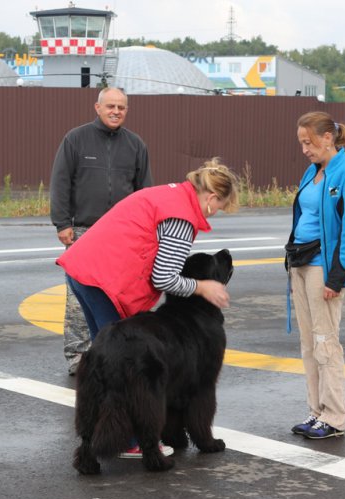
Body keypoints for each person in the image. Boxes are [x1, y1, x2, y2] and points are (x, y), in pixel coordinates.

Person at [57, 157, 239, 458]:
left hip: (84, 269)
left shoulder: (168, 194)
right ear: (210, 198)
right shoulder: (182, 217)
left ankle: (97, 440)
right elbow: (164, 276)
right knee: (123, 369)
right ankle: (128, 441)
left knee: (105, 361)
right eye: (220, 206)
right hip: (104, 282)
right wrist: (202, 286)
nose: (216, 212)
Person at [49, 86, 153, 376]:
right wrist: (62, 223)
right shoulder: (76, 139)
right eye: (110, 106)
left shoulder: (135, 145)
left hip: (123, 238)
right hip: (84, 232)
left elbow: (145, 192)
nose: (115, 111)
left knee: (117, 298)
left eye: (121, 107)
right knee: (78, 301)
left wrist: (146, 233)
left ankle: (117, 355)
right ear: (98, 108)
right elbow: (60, 182)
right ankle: (79, 357)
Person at [287, 111, 345, 440]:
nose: (305, 149)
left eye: (309, 142)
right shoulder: (312, 171)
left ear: (328, 138)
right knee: (308, 343)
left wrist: (338, 276)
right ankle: (316, 411)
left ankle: (334, 417)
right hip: (300, 263)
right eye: (301, 143)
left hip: (323, 267)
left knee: (325, 342)